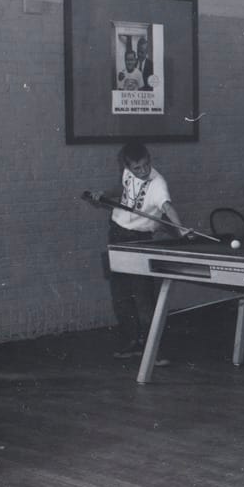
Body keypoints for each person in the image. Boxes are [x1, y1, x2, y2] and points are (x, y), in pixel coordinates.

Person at [87, 141, 185, 363]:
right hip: (117, 234)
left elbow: (167, 207)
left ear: (150, 160)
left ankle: (155, 351)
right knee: (121, 295)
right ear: (127, 166)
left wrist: (180, 229)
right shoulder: (127, 172)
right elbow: (122, 189)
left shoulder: (158, 184)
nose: (142, 171)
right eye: (136, 168)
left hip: (140, 240)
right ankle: (134, 342)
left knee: (143, 297)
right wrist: (104, 193)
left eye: (146, 166)